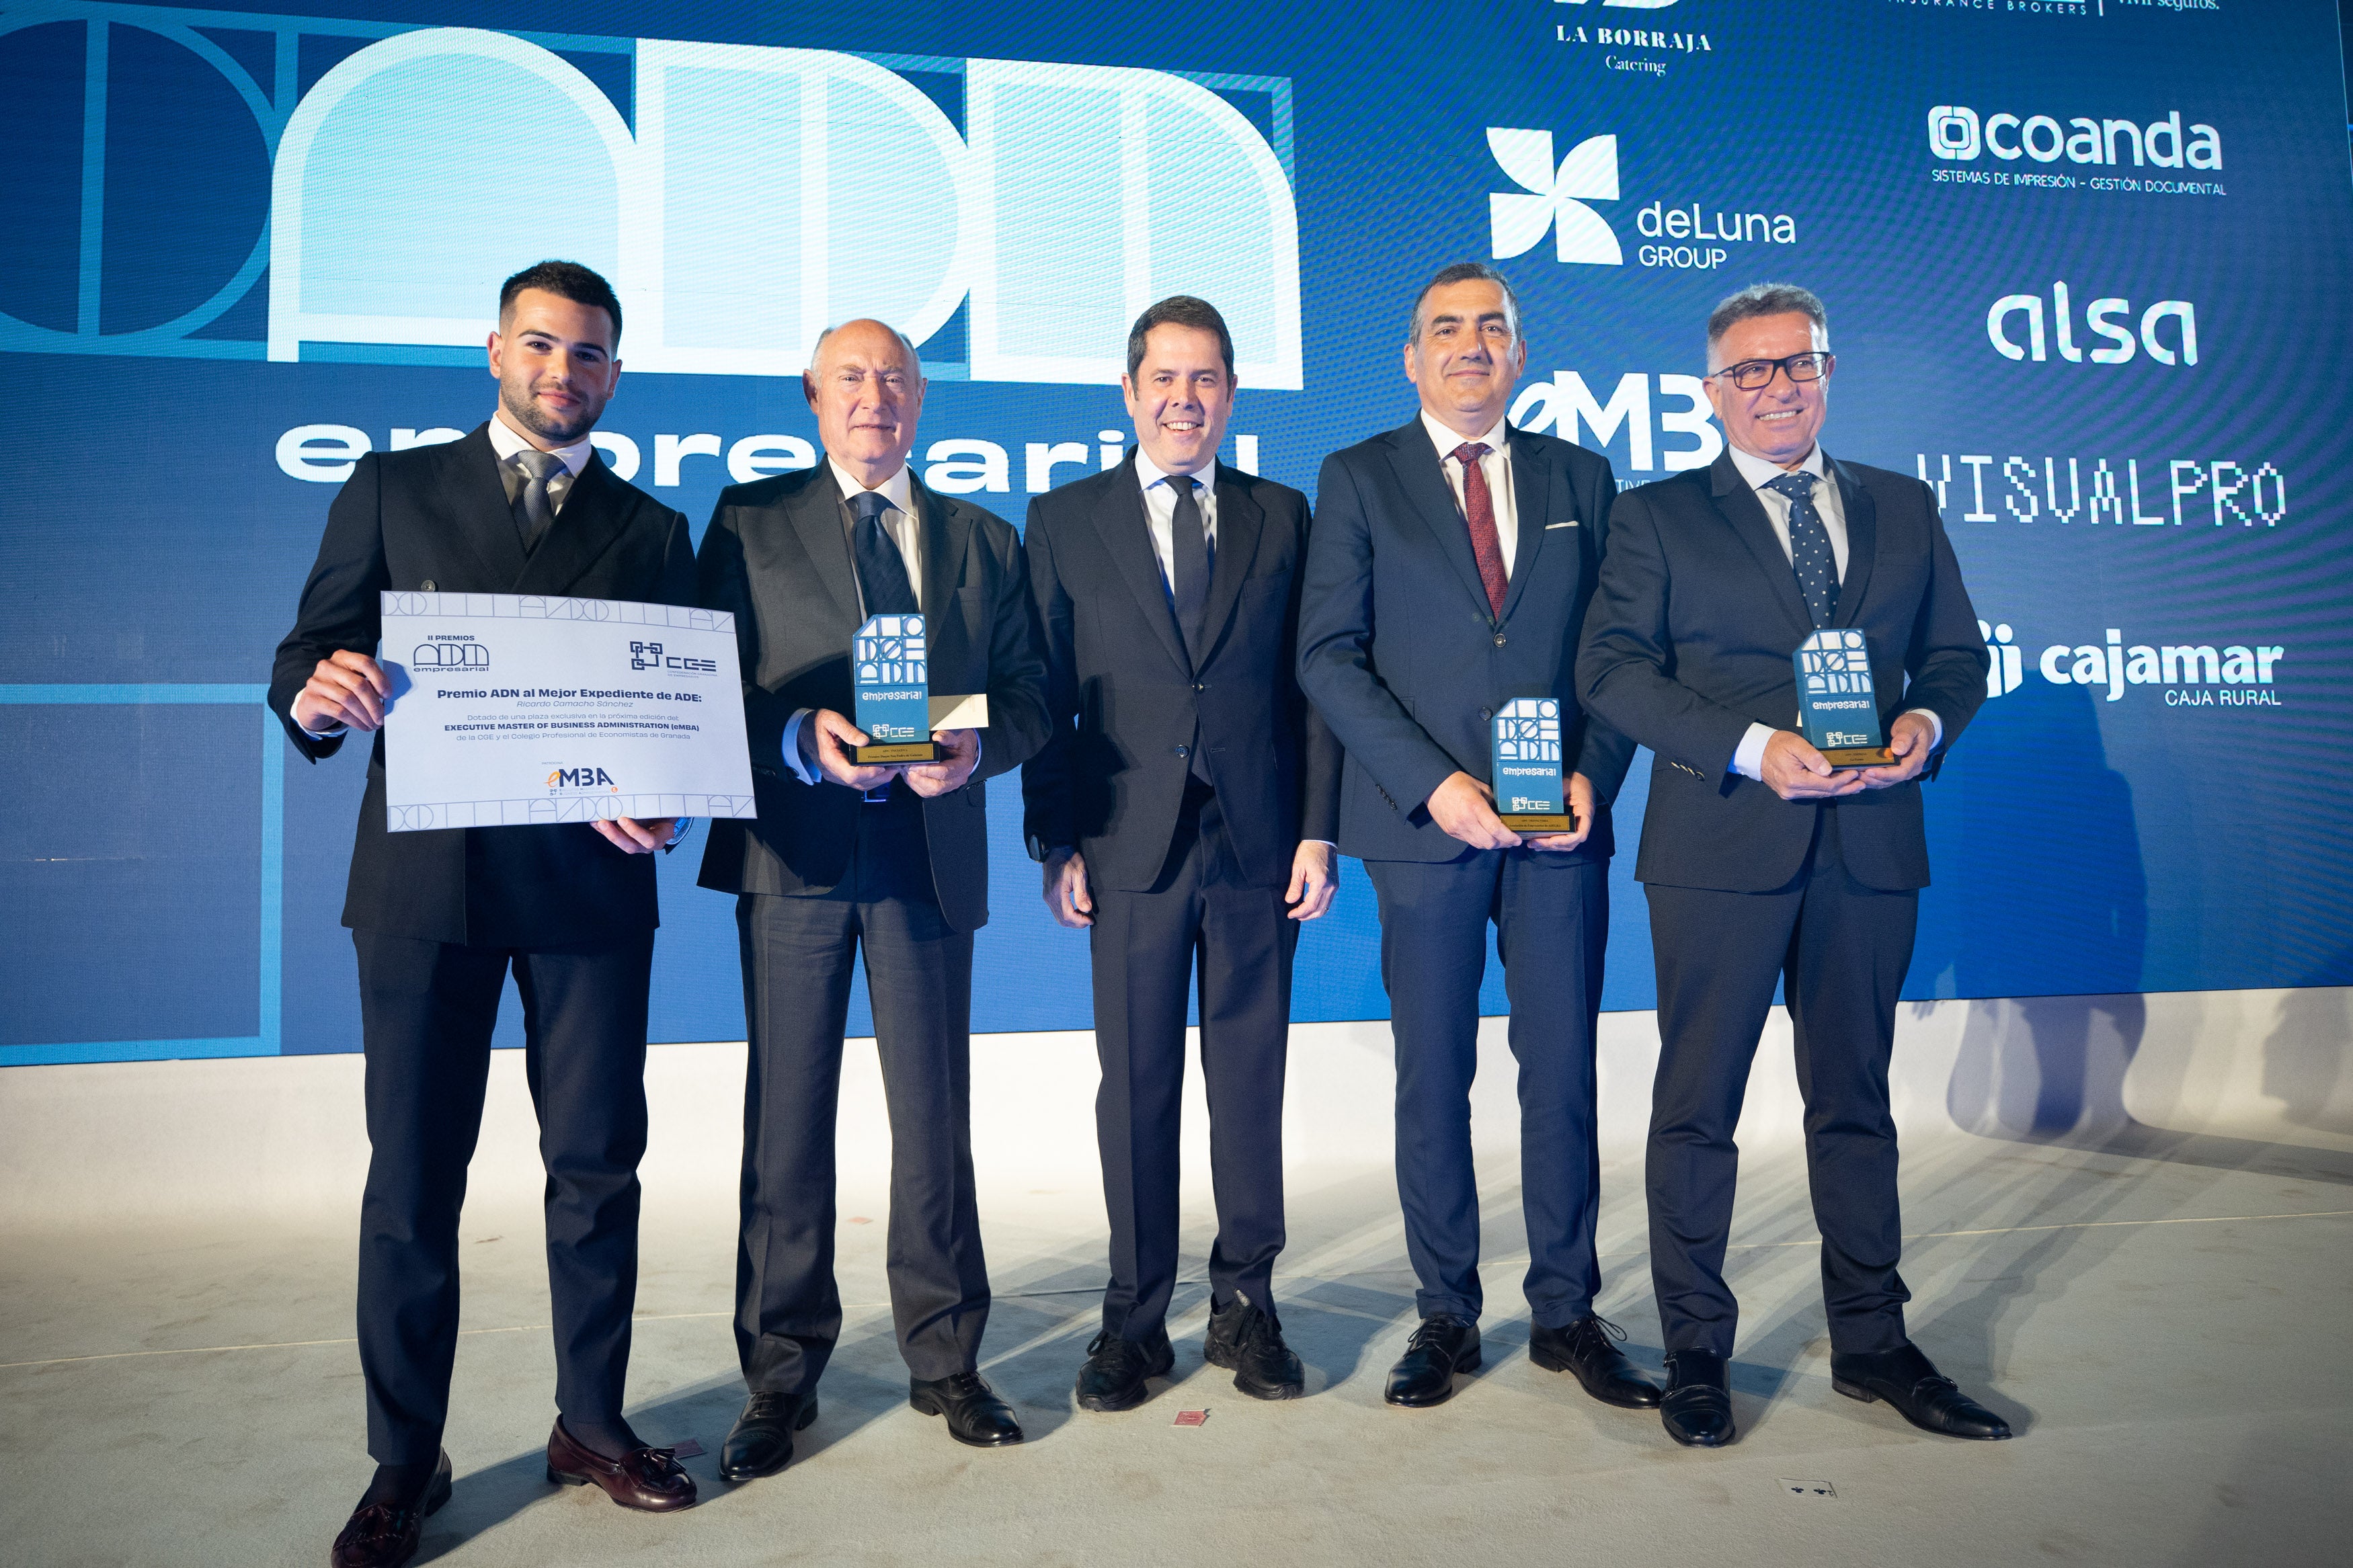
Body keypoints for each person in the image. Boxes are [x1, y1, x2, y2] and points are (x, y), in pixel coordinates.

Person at [270, 260, 700, 1568]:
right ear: (496, 351)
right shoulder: (393, 489)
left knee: (597, 1169)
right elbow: (306, 652)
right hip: (424, 888)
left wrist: (668, 796)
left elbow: (679, 712)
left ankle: (590, 1423)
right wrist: (316, 694)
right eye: (541, 345)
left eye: (589, 353)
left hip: (590, 890)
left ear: (615, 374)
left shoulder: (653, 529)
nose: (564, 370)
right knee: (412, 1180)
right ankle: (405, 1460)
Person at [1577, 282, 2005, 1448]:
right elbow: (1610, 671)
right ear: (1714, 392)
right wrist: (1752, 746)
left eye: (1799, 362)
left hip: (1870, 844)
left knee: (1856, 1105)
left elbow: (1958, 657)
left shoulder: (1904, 505)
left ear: (1828, 371)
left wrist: (1925, 725)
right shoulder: (1657, 516)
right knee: (1698, 1108)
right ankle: (1696, 1349)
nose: (1779, 386)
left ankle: (1873, 1341)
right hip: (1720, 846)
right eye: (1752, 370)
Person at [1295, 262, 1657, 1414]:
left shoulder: (1582, 478)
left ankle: (1566, 1312)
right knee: (1433, 1074)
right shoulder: (1358, 477)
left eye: (1491, 327)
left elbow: (1619, 654)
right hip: (1426, 832)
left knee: (1562, 1070)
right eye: (1446, 328)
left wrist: (1598, 771)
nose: (1470, 345)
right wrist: (1433, 784)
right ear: (1412, 357)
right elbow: (1327, 656)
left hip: (1562, 832)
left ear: (1519, 353)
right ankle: (1446, 1312)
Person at [696, 319, 1051, 1479]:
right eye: (851, 375)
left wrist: (980, 750)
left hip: (925, 858)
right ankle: (779, 1375)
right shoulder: (747, 523)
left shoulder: (985, 540)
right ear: (813, 394)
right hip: (791, 853)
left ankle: (946, 1357)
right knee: (786, 1123)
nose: (875, 395)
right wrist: (799, 734)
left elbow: (1033, 695)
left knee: (934, 1120)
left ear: (921, 399)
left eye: (895, 377)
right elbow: (703, 680)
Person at [1023, 296, 1343, 1411]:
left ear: (1233, 393)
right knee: (1137, 1088)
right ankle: (1135, 1320)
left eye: (1205, 378)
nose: (1183, 399)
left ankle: (1247, 1304)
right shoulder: (1064, 519)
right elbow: (1045, 691)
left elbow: (1313, 688)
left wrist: (1319, 827)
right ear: (1128, 391)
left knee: (1249, 1084)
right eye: (1163, 378)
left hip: (1257, 842)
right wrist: (1056, 838)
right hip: (1126, 843)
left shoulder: (1282, 514)